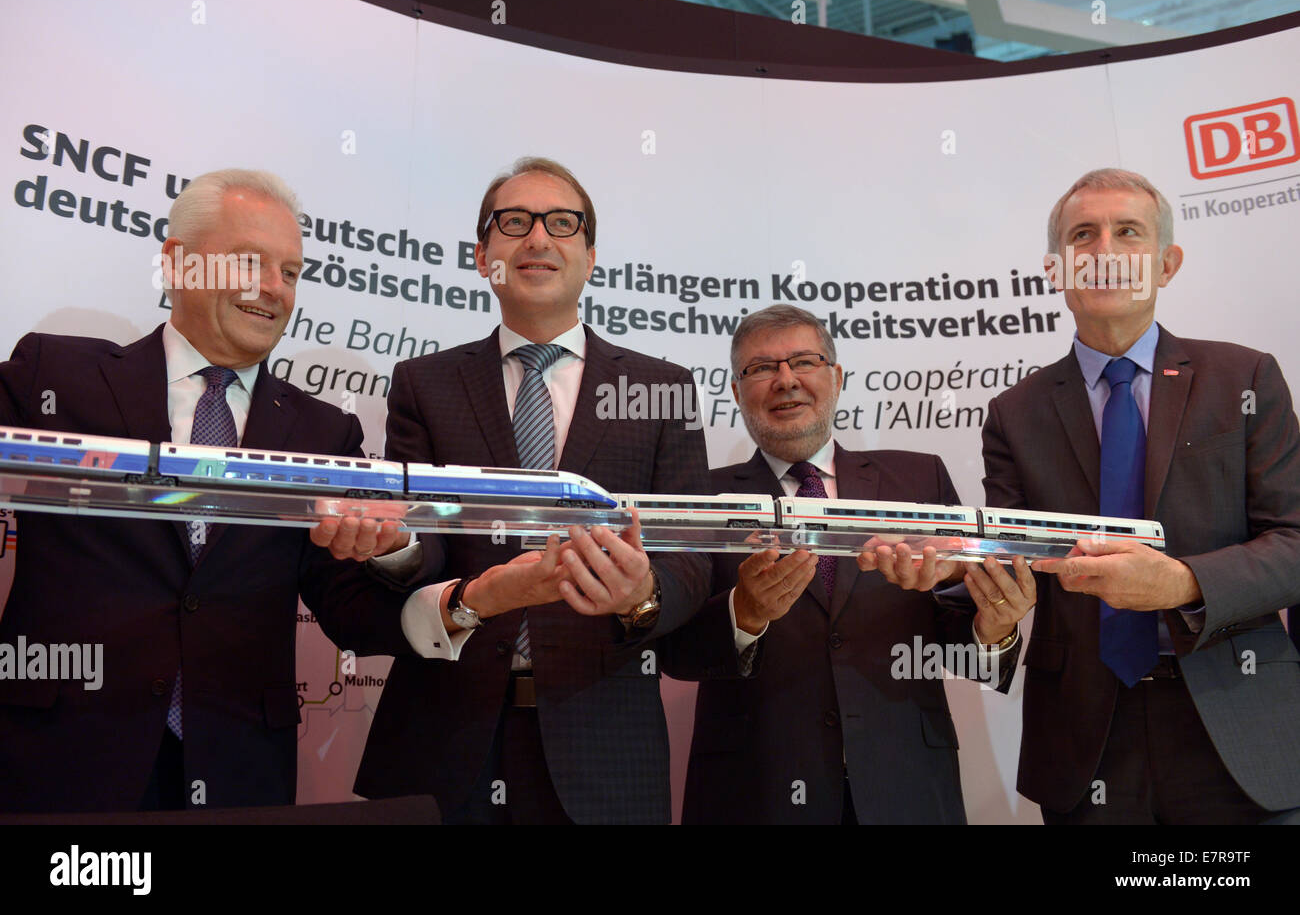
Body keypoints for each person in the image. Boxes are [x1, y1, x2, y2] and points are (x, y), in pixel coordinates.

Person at [0, 169, 407, 813]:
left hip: (237, 775)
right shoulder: (55, 375)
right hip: (61, 765)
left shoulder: (325, 432)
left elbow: (352, 606)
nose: (274, 289)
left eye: (292, 272)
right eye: (251, 263)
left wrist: (395, 554)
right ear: (177, 264)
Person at [350, 157, 711, 824]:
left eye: (561, 223)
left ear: (591, 255)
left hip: (605, 743)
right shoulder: (424, 384)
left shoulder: (664, 389)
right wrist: (394, 546)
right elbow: (421, 547)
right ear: (483, 254)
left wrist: (645, 595)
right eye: (514, 223)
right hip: (444, 737)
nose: (538, 239)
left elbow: (691, 554)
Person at [983, 167, 1300, 823]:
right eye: (1083, 236)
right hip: (1087, 743)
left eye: (1128, 233)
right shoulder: (1015, 413)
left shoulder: (1244, 377)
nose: (1103, 252)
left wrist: (1182, 583)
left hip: (1239, 724)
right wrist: (978, 599)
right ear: (1057, 269)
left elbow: (1294, 543)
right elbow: (1006, 565)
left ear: (1166, 263)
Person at [662, 304, 1032, 824]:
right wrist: (743, 615)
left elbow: (957, 640)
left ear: (836, 377)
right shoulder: (702, 495)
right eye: (761, 368)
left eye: (803, 362)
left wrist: (995, 629)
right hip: (752, 791)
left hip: (906, 788)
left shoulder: (919, 482)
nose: (785, 380)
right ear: (735, 390)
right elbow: (670, 647)